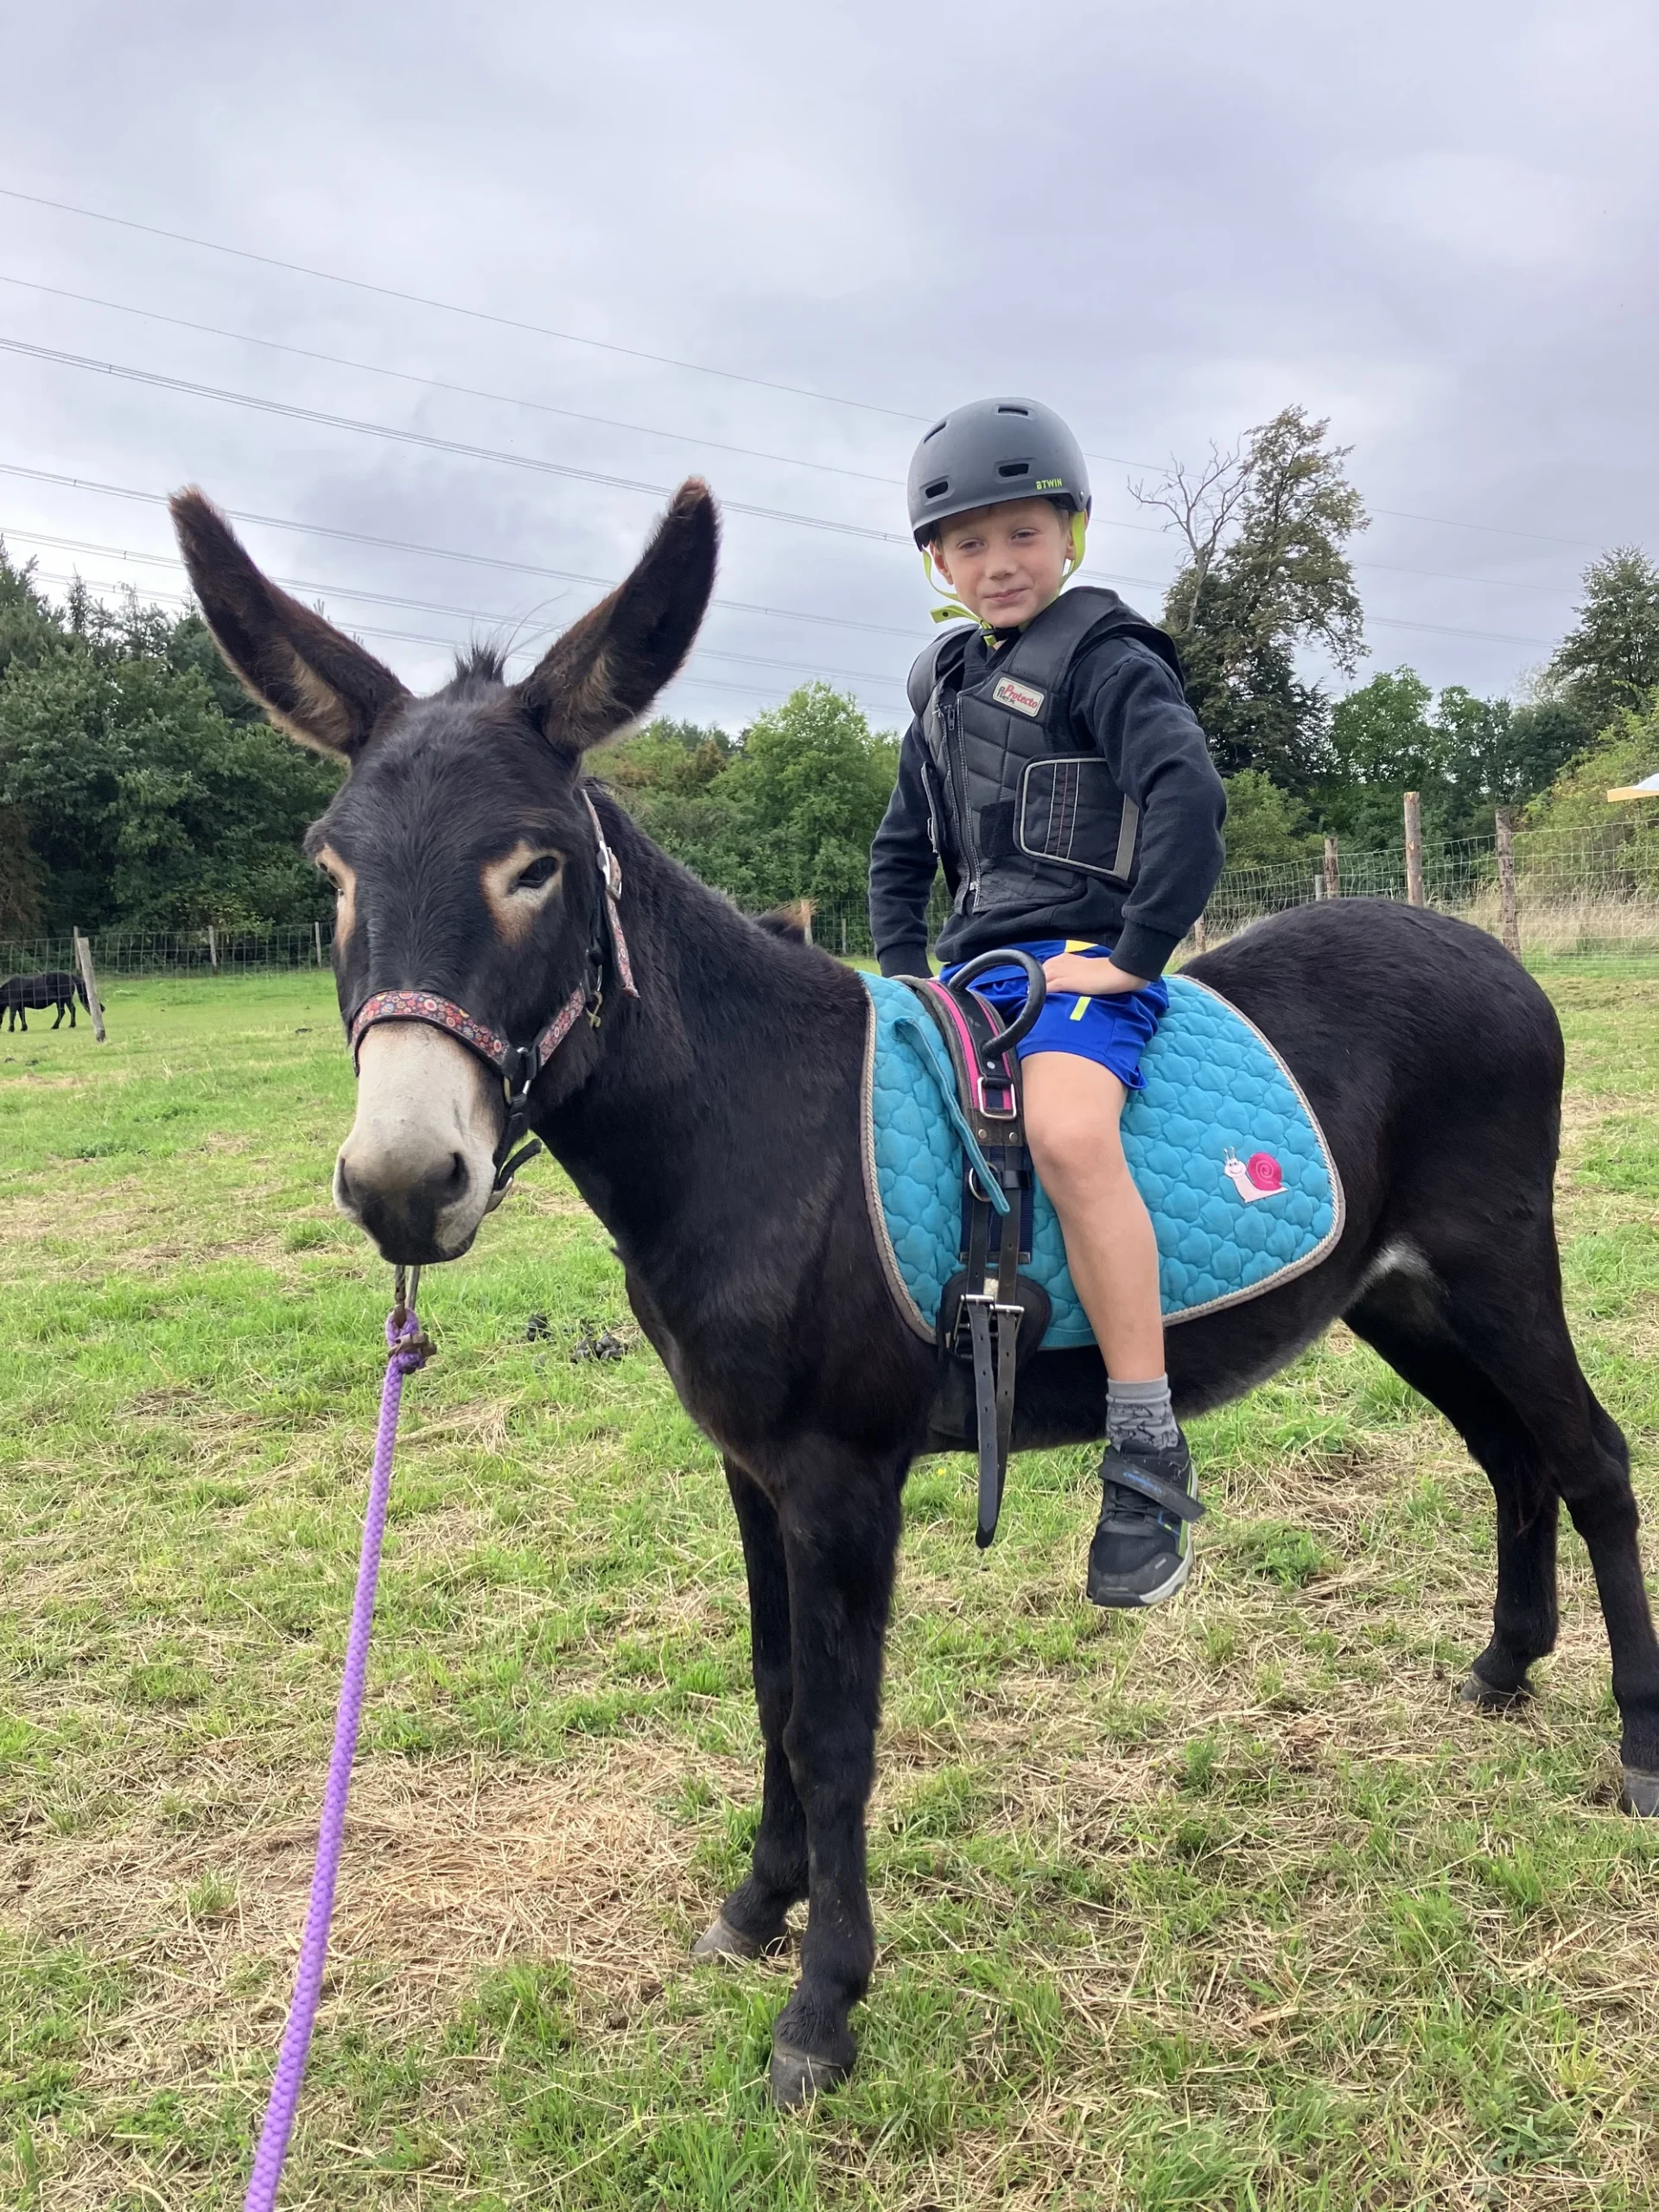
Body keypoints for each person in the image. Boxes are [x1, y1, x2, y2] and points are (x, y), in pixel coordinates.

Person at [869, 396, 1227, 1606]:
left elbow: (1187, 797)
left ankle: (1143, 1439)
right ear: (937, 563)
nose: (996, 564)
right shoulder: (938, 689)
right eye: (967, 545)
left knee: (1070, 1133)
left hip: (1081, 963)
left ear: (1069, 534)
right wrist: (899, 973)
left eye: (1021, 534)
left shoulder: (1109, 659)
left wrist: (1133, 954)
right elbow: (898, 852)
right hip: (969, 978)